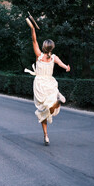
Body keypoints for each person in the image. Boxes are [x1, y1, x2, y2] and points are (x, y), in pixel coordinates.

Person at [25, 16, 70, 146]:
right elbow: (63, 65)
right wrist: (67, 67)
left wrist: (33, 28)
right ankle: (56, 103)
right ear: (52, 48)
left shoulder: (39, 56)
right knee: (47, 109)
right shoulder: (54, 57)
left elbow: (34, 40)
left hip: (39, 84)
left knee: (43, 110)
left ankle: (46, 135)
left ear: (44, 47)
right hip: (50, 83)